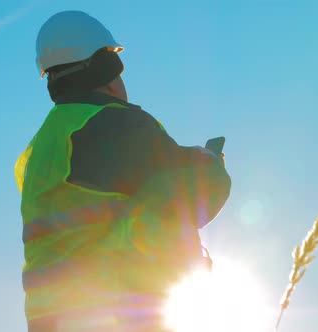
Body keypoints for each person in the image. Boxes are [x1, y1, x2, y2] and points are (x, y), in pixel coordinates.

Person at [14, 10, 231, 331]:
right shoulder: (114, 123)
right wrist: (210, 163)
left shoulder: (37, 154)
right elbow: (196, 194)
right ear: (105, 73)